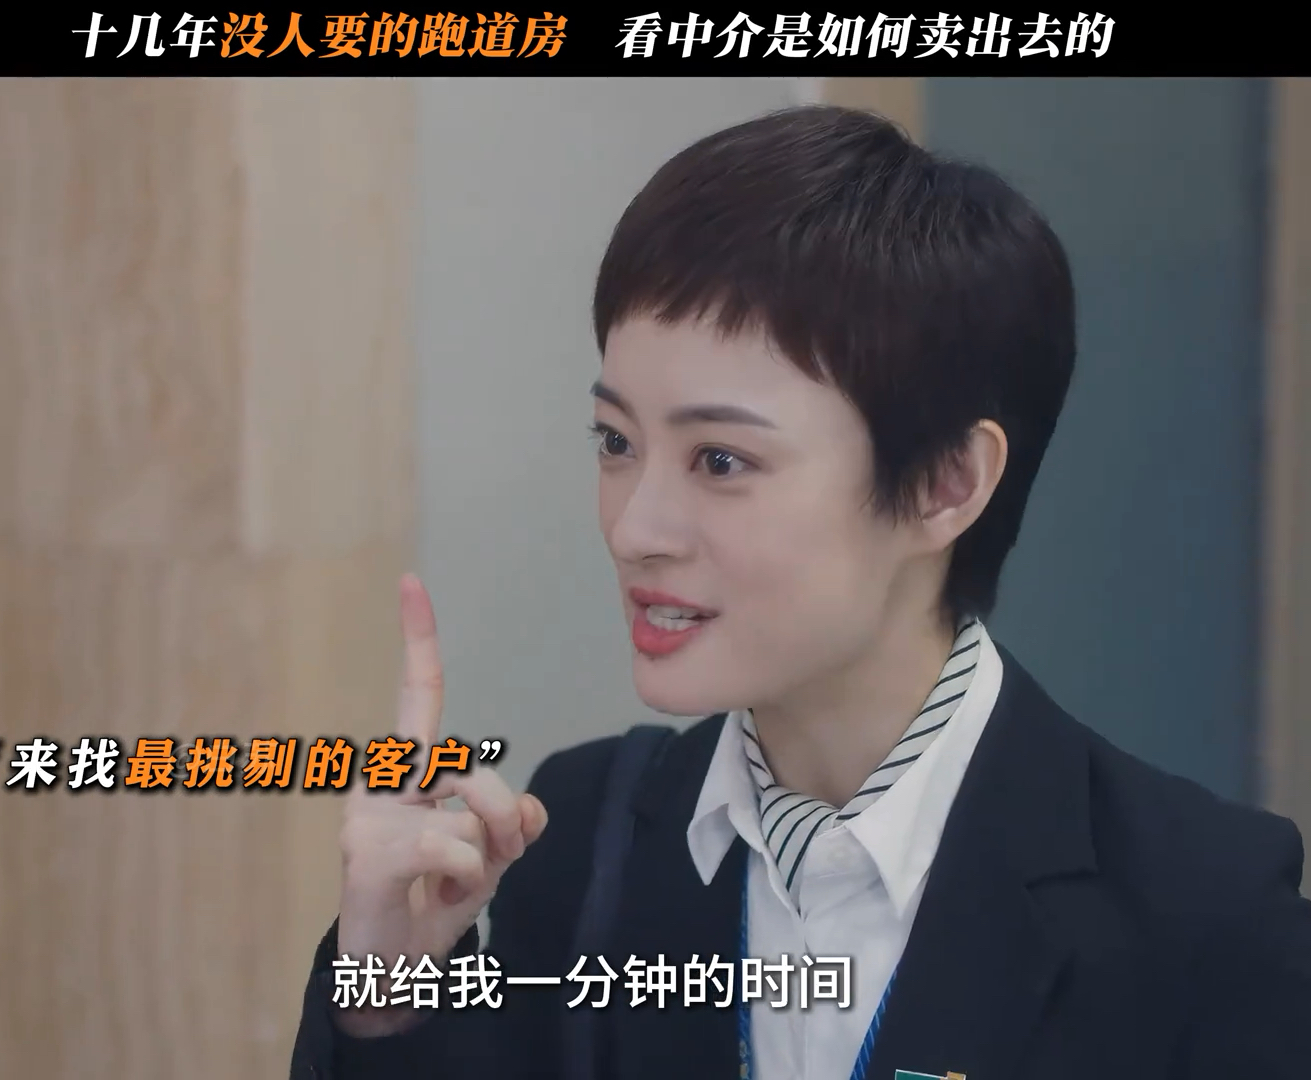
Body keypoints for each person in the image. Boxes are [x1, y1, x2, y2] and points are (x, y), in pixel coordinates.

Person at [289, 105, 1311, 1080]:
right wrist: (389, 995)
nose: (634, 529)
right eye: (615, 441)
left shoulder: (1201, 914)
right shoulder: (586, 840)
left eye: (720, 460)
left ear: (946, 484)